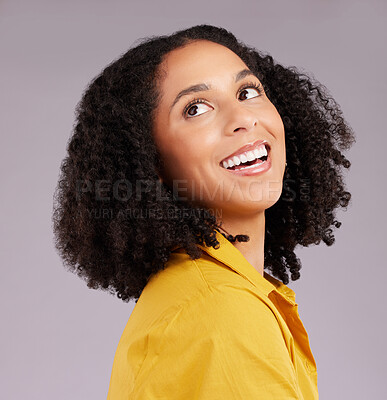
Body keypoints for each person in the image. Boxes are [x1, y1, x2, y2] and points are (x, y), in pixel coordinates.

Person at [52, 24, 355, 399]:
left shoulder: (201, 292)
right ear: (152, 164)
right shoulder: (223, 314)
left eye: (247, 92)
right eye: (196, 108)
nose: (243, 118)